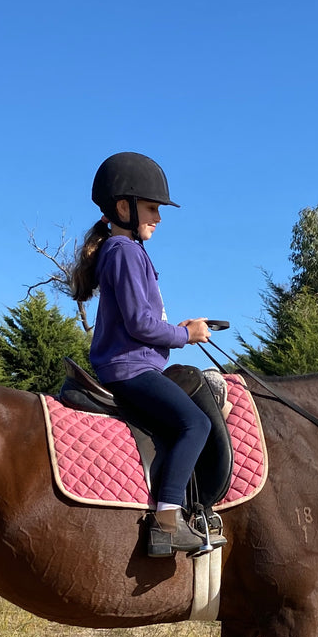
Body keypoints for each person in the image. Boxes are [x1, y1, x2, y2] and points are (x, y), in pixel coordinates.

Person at [70, 151, 223, 557]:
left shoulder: (122, 250)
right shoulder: (125, 251)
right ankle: (166, 524)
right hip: (131, 369)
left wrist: (184, 328)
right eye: (152, 208)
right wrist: (185, 335)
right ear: (124, 207)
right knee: (195, 424)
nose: (158, 217)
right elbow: (140, 324)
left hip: (132, 365)